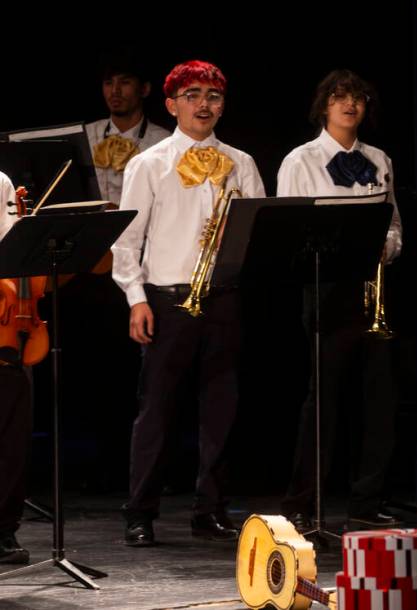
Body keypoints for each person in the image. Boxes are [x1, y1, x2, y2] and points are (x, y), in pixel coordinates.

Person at [111, 60, 266, 546]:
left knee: (221, 407)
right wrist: (137, 299)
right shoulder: (149, 163)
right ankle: (140, 512)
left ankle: (211, 509)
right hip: (169, 299)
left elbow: (257, 234)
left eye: (214, 96)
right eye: (193, 94)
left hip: (223, 299)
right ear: (173, 103)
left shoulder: (242, 163)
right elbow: (125, 242)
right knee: (156, 410)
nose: (205, 104)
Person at [277, 69, 402, 529]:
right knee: (322, 402)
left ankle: (366, 500)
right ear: (324, 105)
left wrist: (386, 246)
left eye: (359, 98)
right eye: (340, 96)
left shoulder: (379, 158)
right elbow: (288, 233)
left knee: (379, 400)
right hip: (325, 288)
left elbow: (394, 225)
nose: (350, 104)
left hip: (371, 289)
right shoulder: (301, 160)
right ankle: (303, 501)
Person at [85, 54, 170, 205]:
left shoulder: (163, 142)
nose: (115, 91)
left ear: (144, 89)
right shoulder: (87, 134)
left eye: (124, 82)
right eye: (108, 83)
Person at [0, 170, 32, 564]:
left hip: (4, 324)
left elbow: (14, 253)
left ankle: (3, 530)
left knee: (10, 434)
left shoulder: (0, 182)